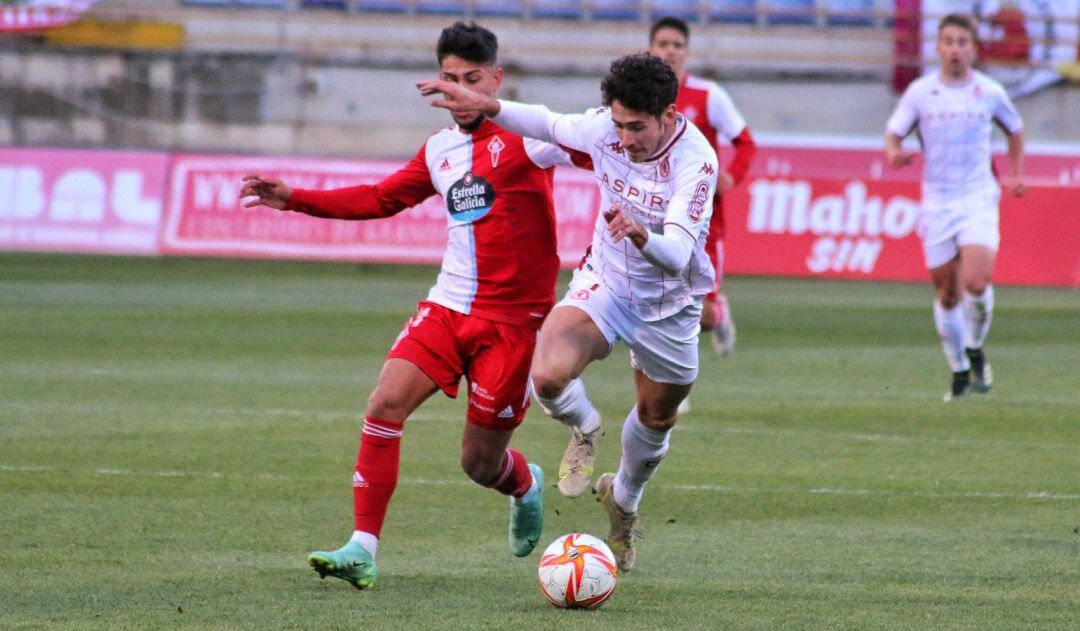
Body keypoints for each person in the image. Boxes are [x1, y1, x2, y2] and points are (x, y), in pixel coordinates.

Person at [241, 22, 584, 590]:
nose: (459, 91)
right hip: (448, 306)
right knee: (385, 402)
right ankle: (363, 548)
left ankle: (524, 484)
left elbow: (600, 149)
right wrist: (295, 198)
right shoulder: (439, 150)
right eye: (449, 78)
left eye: (472, 79)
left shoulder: (530, 135)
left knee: (479, 465)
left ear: (496, 80)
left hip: (514, 325)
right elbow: (380, 198)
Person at [419, 52, 720, 571]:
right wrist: (486, 104)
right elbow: (543, 121)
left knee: (657, 416)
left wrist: (642, 234)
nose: (625, 138)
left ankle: (623, 502)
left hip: (669, 304)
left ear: (669, 115)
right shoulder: (603, 130)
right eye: (619, 124)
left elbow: (676, 254)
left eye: (637, 127)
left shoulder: (697, 162)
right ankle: (585, 426)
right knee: (548, 375)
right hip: (607, 282)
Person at [885, 13, 1025, 401]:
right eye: (948, 41)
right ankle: (959, 369)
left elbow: (1014, 129)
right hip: (937, 201)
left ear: (974, 49)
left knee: (975, 282)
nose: (955, 49)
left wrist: (1016, 173)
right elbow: (894, 131)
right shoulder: (921, 92)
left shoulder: (990, 92)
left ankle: (975, 347)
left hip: (978, 197)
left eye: (963, 42)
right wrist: (894, 152)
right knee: (947, 294)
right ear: (938, 48)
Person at [649, 15, 757, 359]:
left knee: (702, 314)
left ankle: (719, 313)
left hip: (702, 217)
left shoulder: (708, 95)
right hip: (653, 214)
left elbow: (745, 142)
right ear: (651, 49)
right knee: (653, 302)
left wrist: (731, 176)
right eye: (663, 44)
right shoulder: (640, 96)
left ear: (687, 52)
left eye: (677, 45)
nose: (670, 51)